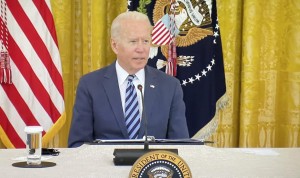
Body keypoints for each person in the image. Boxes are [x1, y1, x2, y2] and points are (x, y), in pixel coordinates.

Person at [68, 11, 189, 148]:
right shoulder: (90, 85)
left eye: (145, 41)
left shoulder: (170, 86)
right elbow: (77, 146)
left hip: (152, 168)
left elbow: (181, 145)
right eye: (133, 41)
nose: (141, 49)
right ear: (115, 45)